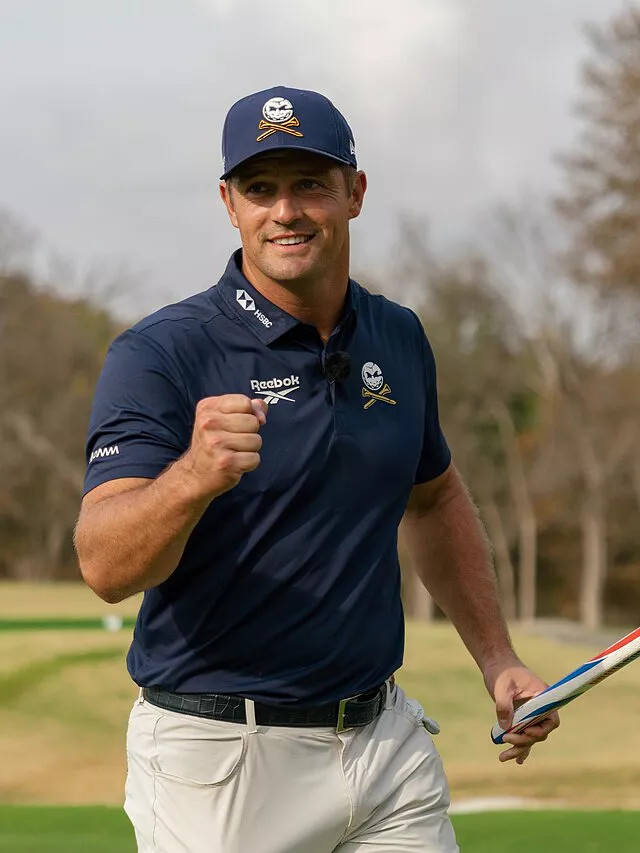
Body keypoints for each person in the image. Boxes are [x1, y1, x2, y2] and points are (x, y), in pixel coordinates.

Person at [75, 86, 559, 853]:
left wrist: (497, 658)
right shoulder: (161, 353)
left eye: (309, 184)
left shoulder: (397, 335)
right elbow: (104, 566)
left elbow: (433, 498)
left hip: (382, 745)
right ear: (229, 204)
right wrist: (193, 476)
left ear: (354, 193)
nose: (286, 211)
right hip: (220, 762)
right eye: (260, 189)